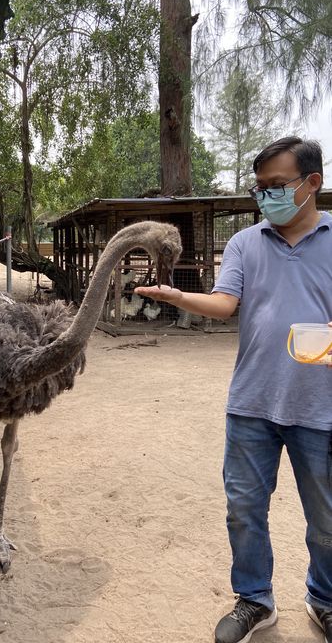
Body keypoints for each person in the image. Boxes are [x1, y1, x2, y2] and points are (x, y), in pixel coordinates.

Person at [135, 137, 332, 643]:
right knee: (244, 509)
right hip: (252, 404)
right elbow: (227, 304)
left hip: (321, 406)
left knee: (327, 518)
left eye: (276, 185)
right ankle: (254, 600)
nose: (266, 196)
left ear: (312, 184)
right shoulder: (247, 242)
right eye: (259, 188)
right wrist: (177, 295)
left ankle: (324, 600)